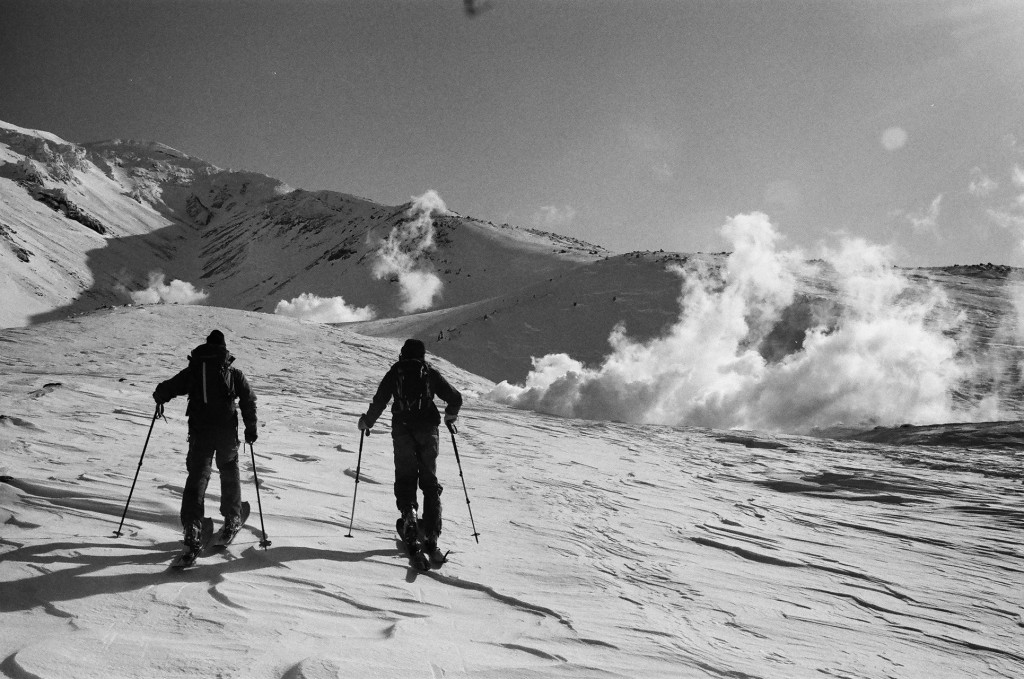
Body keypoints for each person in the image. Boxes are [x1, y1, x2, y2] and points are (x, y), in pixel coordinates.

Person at [153, 329, 258, 555]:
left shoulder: (194, 370)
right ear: (224, 350)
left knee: (198, 475)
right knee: (229, 470)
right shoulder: (232, 373)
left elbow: (169, 387)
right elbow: (248, 400)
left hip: (200, 431)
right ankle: (232, 518)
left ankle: (192, 526)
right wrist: (251, 429)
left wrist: (160, 396)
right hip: (226, 432)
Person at [359, 338, 462, 553]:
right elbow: (455, 397)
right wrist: (450, 416)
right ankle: (432, 531)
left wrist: (367, 421)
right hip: (428, 431)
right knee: (429, 480)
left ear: (403, 353)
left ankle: (410, 519)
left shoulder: (395, 372)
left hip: (402, 430)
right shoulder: (429, 372)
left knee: (406, 477)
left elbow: (380, 400)